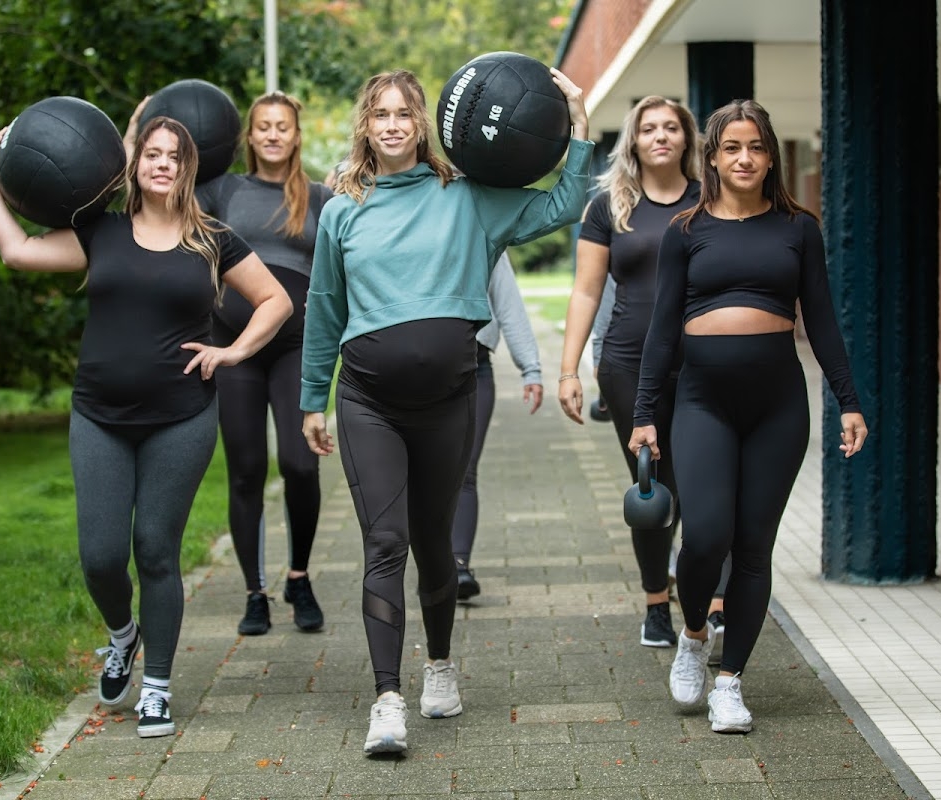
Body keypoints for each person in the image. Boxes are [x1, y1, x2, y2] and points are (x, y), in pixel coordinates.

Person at [300, 68, 592, 755]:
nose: (394, 125)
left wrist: (577, 121)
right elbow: (323, 309)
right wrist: (313, 398)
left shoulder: (466, 196)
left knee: (434, 545)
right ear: (366, 126)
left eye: (406, 113)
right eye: (382, 115)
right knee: (384, 543)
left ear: (424, 122)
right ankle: (386, 699)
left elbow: (564, 203)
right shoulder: (343, 208)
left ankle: (437, 666)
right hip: (368, 401)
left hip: (448, 401)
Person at [0, 115, 292, 738]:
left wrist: (231, 353)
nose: (163, 164)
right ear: (135, 163)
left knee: (155, 550)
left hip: (181, 418)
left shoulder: (211, 239)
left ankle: (157, 688)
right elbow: (17, 252)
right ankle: (123, 635)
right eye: (152, 153)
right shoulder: (100, 231)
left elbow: (276, 300)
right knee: (100, 558)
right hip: (99, 416)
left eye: (174, 156)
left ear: (186, 169)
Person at [628, 99, 867, 734]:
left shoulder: (798, 229)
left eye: (755, 147)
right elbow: (660, 329)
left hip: (778, 407)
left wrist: (849, 401)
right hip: (702, 402)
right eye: (731, 147)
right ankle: (694, 633)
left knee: (754, 546)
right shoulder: (686, 229)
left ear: (771, 157)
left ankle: (730, 682)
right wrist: (645, 411)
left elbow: (821, 320)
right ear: (711, 156)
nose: (743, 158)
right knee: (706, 534)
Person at [558, 95, 703, 648]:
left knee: (703, 483)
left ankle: (710, 598)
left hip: (701, 365)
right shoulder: (609, 206)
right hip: (626, 365)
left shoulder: (708, 202)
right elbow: (586, 290)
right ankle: (655, 604)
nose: (661, 136)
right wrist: (569, 369)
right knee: (652, 488)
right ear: (635, 140)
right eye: (649, 128)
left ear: (687, 139)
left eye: (671, 127)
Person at [192, 92, 334, 636]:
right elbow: (167, 209)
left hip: (296, 345)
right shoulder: (222, 191)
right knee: (247, 467)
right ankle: (254, 591)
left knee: (300, 464)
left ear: (297, 136)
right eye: (263, 127)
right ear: (248, 138)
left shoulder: (319, 197)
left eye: (283, 127)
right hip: (232, 346)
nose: (273, 135)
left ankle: (298, 577)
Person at [453, 251, 543, 601]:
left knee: (465, 469)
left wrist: (530, 367)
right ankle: (434, 565)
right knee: (427, 476)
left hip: (476, 367)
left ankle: (458, 565)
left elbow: (507, 301)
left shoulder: (484, 225)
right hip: (421, 368)